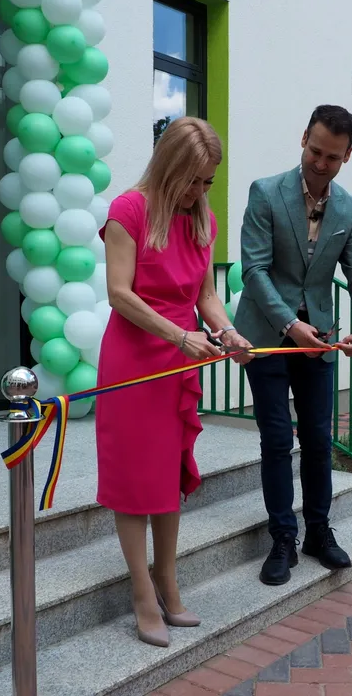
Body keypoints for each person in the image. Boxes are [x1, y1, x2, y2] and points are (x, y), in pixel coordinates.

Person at [96, 117, 253, 647]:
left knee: (166, 476)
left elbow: (205, 295)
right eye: (193, 180)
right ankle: (142, 592)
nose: (200, 192)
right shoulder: (128, 210)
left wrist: (228, 332)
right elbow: (119, 293)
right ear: (169, 167)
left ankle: (167, 578)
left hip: (178, 361)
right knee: (133, 481)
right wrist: (180, 336)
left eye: (209, 182)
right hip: (135, 361)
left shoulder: (201, 219)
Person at [234, 105, 352, 586]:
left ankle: (318, 531)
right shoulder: (265, 192)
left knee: (318, 439)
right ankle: (283, 538)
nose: (321, 163)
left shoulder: (349, 208)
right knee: (277, 439)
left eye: (332, 157)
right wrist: (289, 324)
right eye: (315, 151)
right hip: (266, 337)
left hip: (319, 339)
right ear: (304, 139)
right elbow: (254, 270)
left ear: (348, 156)